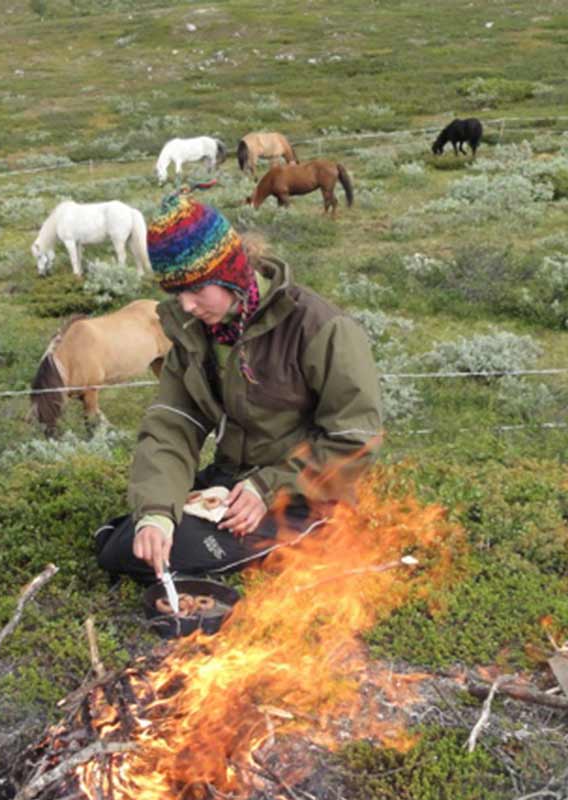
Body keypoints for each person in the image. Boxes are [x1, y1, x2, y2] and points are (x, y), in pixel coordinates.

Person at [95, 191, 383, 581]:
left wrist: (266, 487)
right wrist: (158, 514)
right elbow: (172, 426)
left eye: (196, 289)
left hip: (305, 496)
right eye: (176, 292)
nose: (186, 306)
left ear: (229, 273)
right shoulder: (195, 333)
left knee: (174, 553)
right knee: (124, 544)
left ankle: (317, 540)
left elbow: (355, 438)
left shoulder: (321, 328)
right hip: (229, 487)